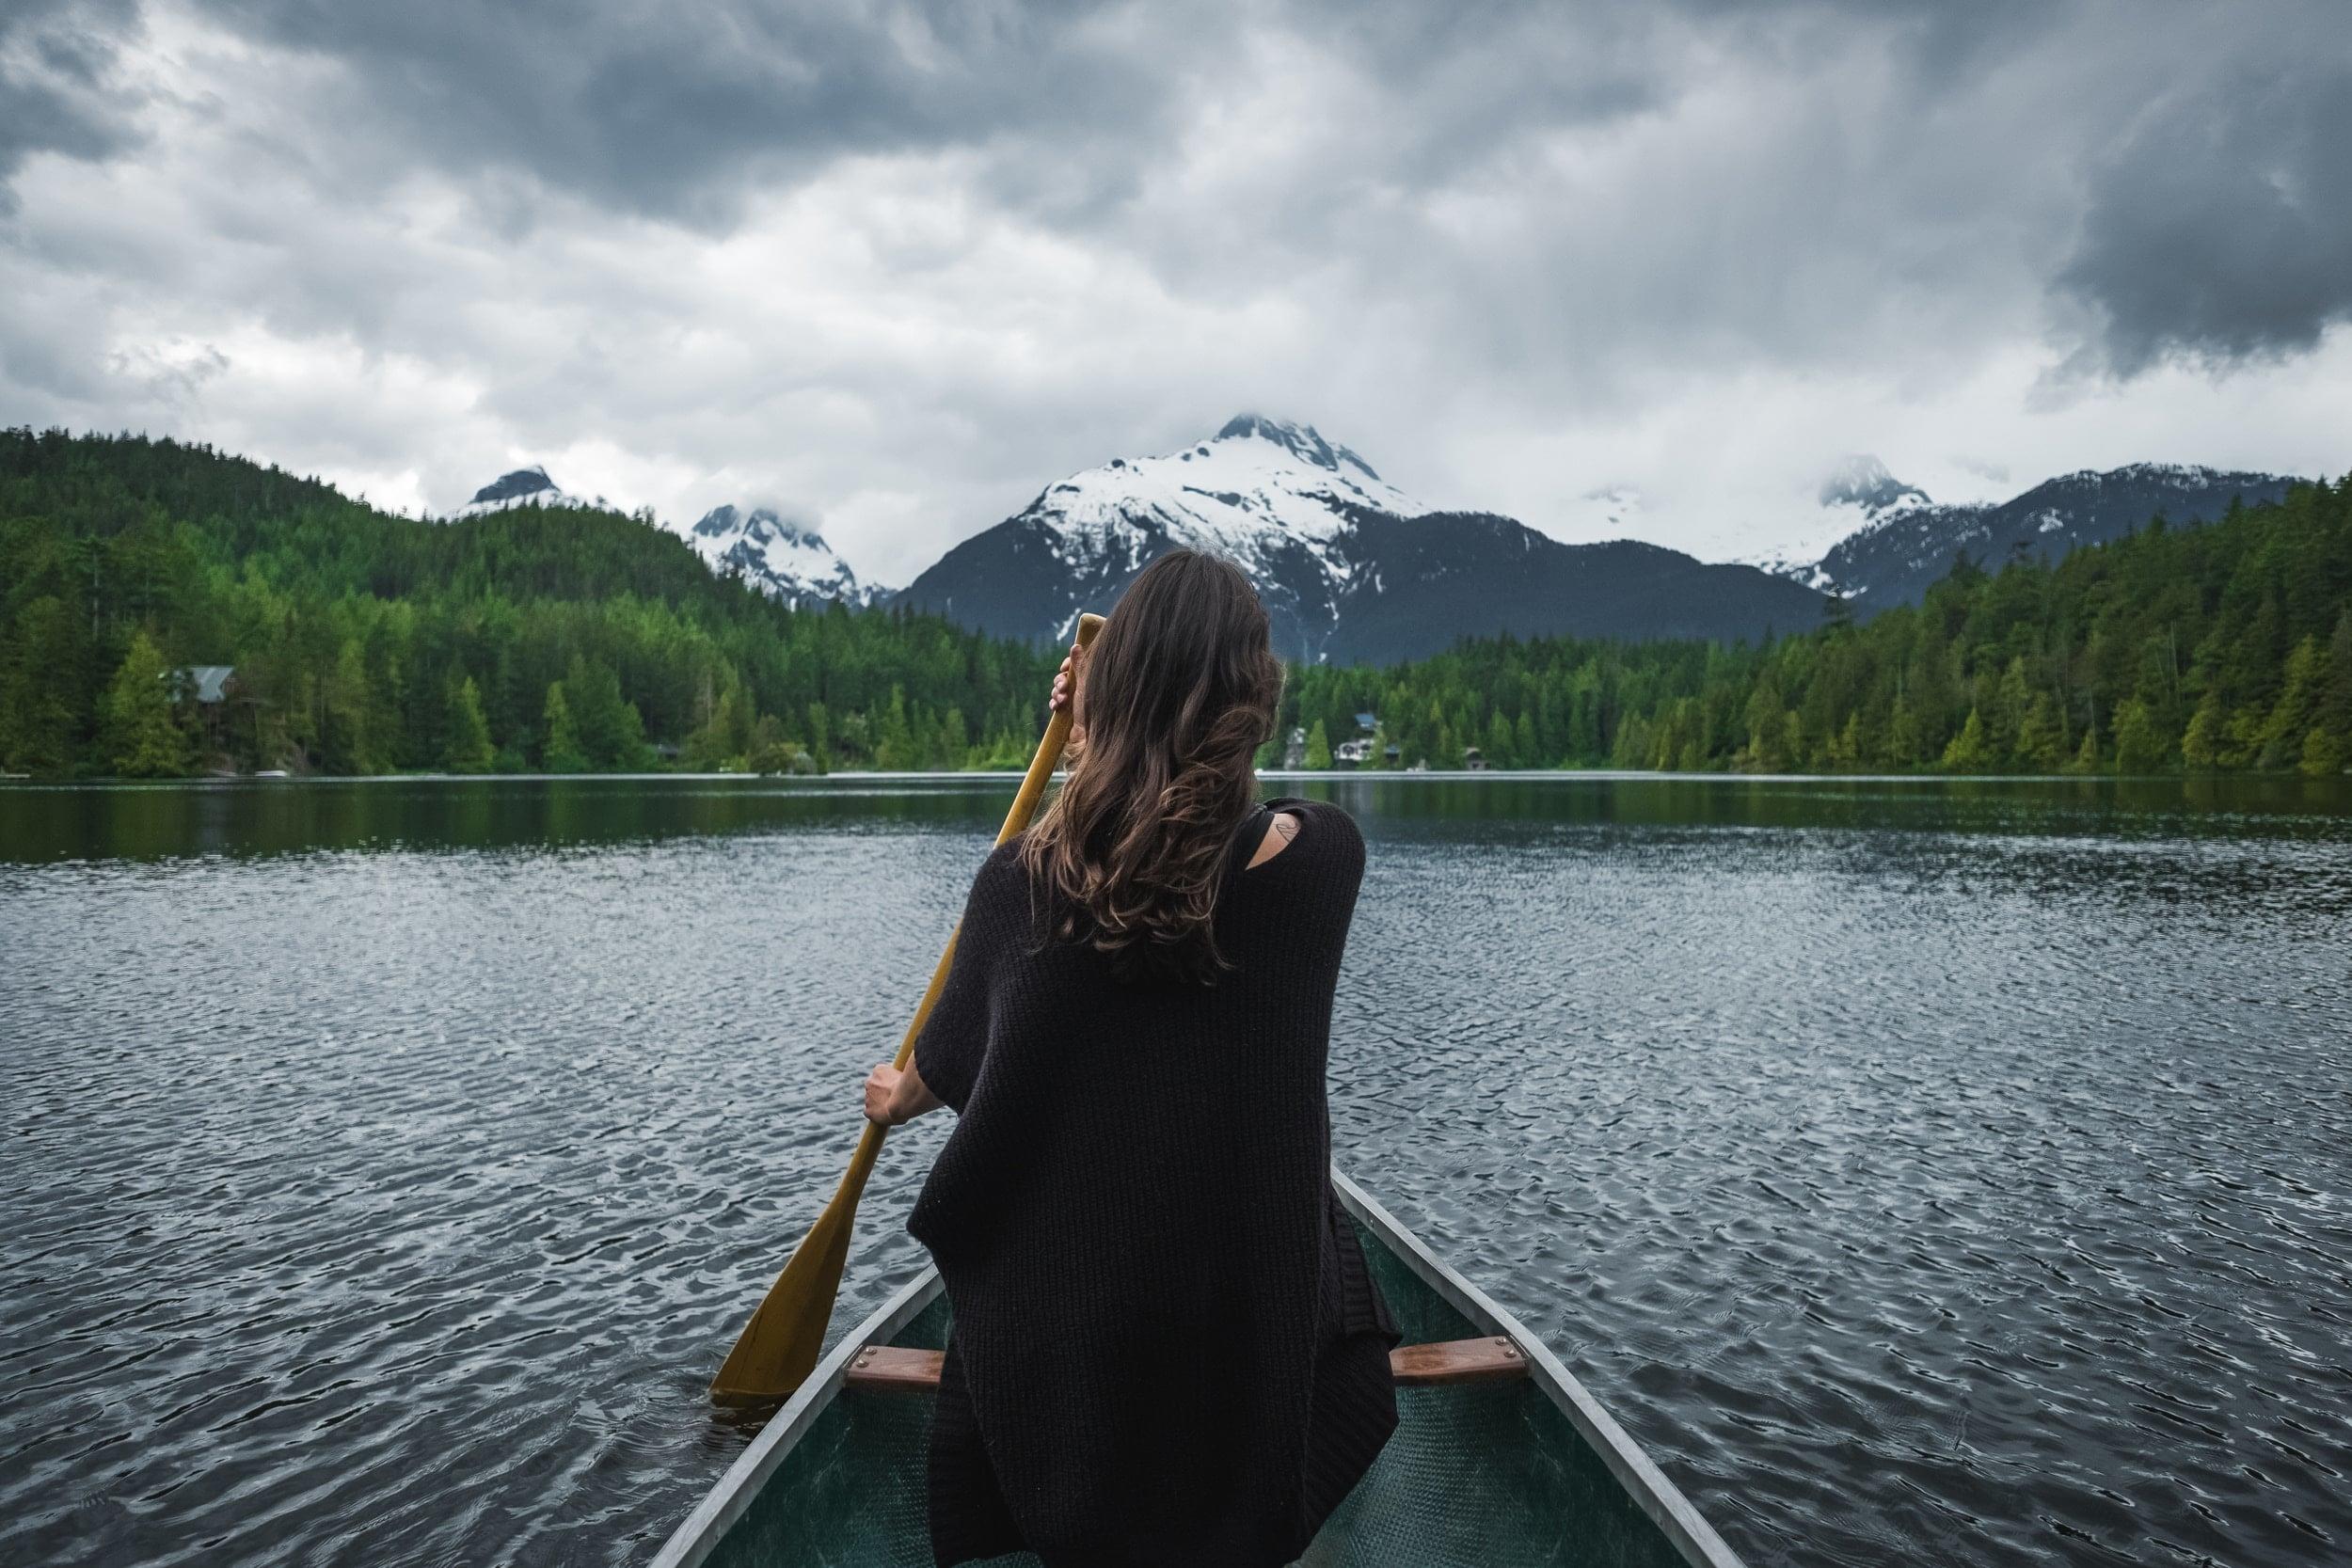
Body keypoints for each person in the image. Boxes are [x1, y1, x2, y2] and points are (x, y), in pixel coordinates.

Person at [861, 549, 1398, 1568]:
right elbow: (1230, 831)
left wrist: (1086, 741)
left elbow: (956, 1055)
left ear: (1107, 699)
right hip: (1245, 1350)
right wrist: (1116, 726)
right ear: (1253, 700)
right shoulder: (1324, 863)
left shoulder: (1017, 885)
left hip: (1071, 1373)